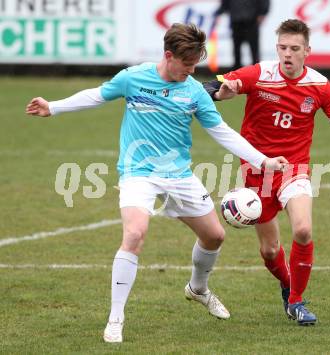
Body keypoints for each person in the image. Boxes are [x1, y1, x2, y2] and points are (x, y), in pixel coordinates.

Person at [25, 23, 287, 342]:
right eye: (187, 64)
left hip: (178, 175)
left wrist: (264, 160)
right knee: (135, 233)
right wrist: (53, 107)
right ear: (168, 55)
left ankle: (198, 289)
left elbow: (223, 132)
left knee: (215, 236)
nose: (191, 71)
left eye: (195, 65)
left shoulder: (192, 91)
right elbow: (97, 95)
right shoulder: (134, 77)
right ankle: (116, 318)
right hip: (138, 173)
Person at [203, 19, 330, 326]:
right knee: (270, 250)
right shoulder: (258, 74)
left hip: (295, 169)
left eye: (294, 48)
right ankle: (287, 285)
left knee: (303, 230)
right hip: (257, 173)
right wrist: (221, 93)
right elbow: (207, 89)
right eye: (282, 47)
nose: (287, 54)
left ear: (307, 50)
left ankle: (295, 302)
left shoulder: (319, 86)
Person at [214, 0, 270, 69]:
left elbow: (264, 2)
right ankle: (237, 72)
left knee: (254, 50)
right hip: (236, 21)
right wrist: (218, 13)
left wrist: (263, 13)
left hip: (251, 21)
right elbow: (225, 4)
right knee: (236, 50)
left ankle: (257, 72)